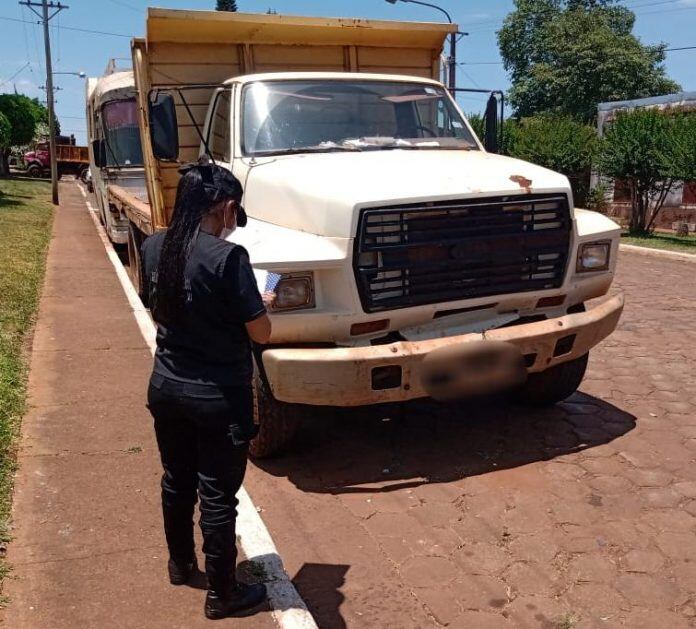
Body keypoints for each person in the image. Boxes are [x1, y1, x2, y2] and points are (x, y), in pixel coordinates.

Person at [141, 159, 272, 620]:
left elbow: (156, 308)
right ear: (227, 207)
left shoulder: (155, 246)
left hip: (166, 386)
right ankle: (223, 593)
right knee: (218, 494)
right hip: (217, 396)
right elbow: (261, 334)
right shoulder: (229, 258)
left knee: (176, 480)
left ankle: (181, 565)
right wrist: (260, 303)